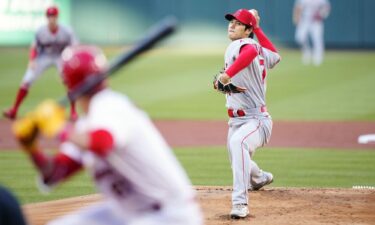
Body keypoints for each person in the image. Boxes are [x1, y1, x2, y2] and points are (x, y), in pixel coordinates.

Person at [13, 46, 203, 225]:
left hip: (169, 216)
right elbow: (54, 173)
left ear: (67, 83)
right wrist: (31, 148)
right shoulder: (85, 126)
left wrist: (59, 129)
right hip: (130, 213)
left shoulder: (111, 105)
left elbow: (102, 142)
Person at [213, 9, 281, 219]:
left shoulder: (247, 45)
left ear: (247, 30)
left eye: (238, 23)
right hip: (237, 120)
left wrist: (226, 75)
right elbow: (275, 57)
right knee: (237, 158)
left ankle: (240, 203)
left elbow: (250, 52)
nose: (232, 25)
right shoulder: (251, 44)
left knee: (238, 144)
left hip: (256, 120)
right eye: (231, 21)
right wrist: (258, 28)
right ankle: (259, 178)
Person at [3, 5, 79, 120]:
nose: (51, 18)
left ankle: (73, 112)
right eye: (49, 16)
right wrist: (32, 60)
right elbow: (34, 47)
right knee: (27, 80)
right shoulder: (40, 31)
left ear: (57, 17)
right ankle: (14, 110)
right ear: (46, 17)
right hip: (44, 56)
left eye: (53, 16)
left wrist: (70, 62)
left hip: (61, 56)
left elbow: (74, 47)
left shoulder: (67, 31)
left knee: (69, 81)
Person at [293, 0, 331, 66]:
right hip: (305, 19)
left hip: (316, 21)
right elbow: (298, 7)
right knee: (299, 38)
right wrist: (296, 18)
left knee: (317, 39)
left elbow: (327, 6)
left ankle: (318, 57)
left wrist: (322, 14)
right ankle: (307, 51)